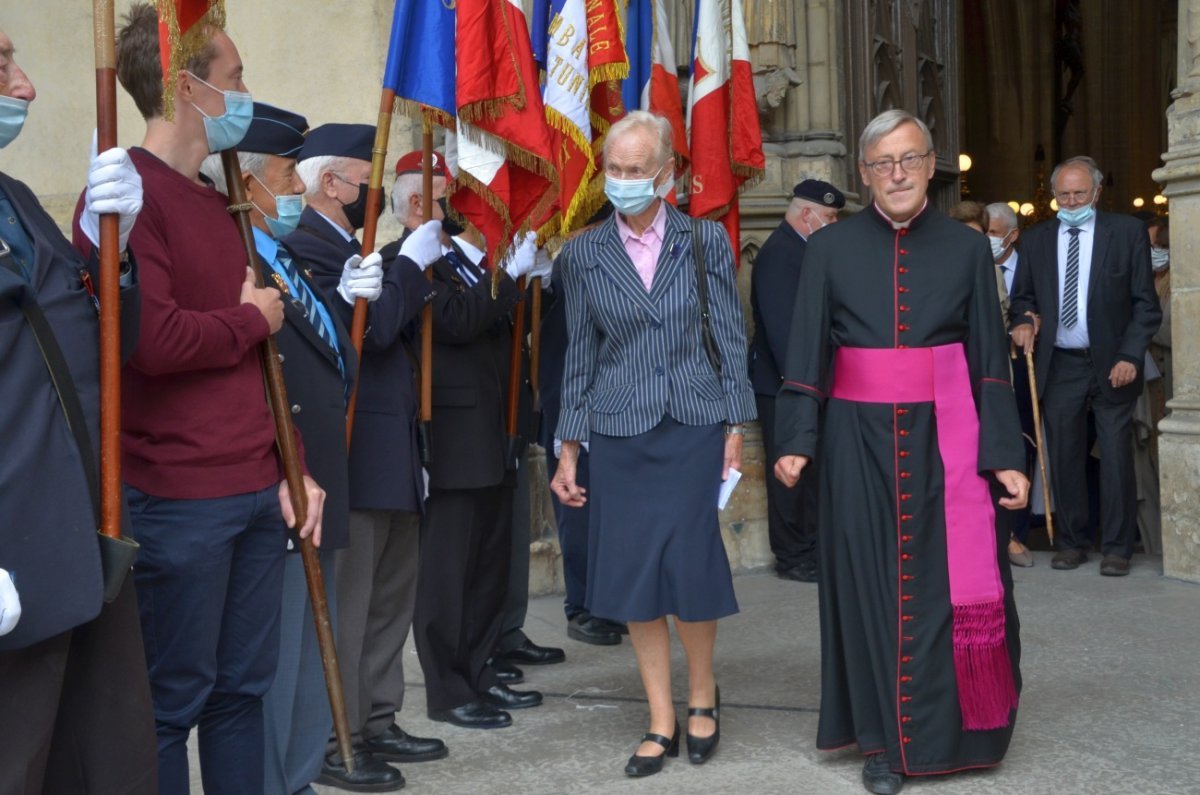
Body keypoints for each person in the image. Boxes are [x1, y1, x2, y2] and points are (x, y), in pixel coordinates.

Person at [98, 7, 326, 792]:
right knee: (173, 700)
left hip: (253, 489)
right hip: (180, 498)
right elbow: (149, 342)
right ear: (188, 87)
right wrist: (246, 317)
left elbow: (260, 370)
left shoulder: (218, 195)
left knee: (240, 693)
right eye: (234, 78)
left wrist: (291, 467)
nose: (244, 92)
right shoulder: (125, 195)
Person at [774, 109, 1029, 795]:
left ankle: (952, 734)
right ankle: (884, 742)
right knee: (870, 590)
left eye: (910, 159)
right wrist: (796, 438)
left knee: (947, 588)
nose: (898, 174)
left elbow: (989, 360)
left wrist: (1005, 452)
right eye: (883, 163)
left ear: (931, 164)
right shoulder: (829, 248)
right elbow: (805, 350)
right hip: (854, 443)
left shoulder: (968, 249)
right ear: (863, 174)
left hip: (948, 439)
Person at [551, 110, 755, 778]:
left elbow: (730, 337)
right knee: (638, 573)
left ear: (668, 174)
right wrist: (569, 447)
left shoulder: (704, 243)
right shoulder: (581, 254)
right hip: (620, 431)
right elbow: (579, 354)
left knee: (690, 565)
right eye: (615, 169)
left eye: (639, 170)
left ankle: (703, 693)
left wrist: (736, 427)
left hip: (693, 423)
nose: (625, 181)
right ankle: (660, 717)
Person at [0, 26, 158, 793]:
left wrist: (116, 255)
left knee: (104, 764)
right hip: (10, 564)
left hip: (84, 542)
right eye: (1, 65)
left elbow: (103, 347)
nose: (25, 85)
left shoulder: (19, 202)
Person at [285, 136, 446, 790]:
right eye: (361, 181)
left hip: (391, 449)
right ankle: (336, 733)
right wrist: (407, 265)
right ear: (330, 183)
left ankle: (378, 716)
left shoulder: (350, 249)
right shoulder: (305, 246)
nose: (367, 197)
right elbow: (369, 331)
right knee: (350, 607)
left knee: (388, 601)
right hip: (352, 451)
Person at [412, 212, 551, 729]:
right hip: (455, 439)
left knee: (490, 566)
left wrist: (531, 281)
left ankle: (480, 667)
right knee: (449, 573)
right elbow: (457, 321)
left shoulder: (478, 270)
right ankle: (448, 690)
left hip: (498, 431)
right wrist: (510, 277)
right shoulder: (424, 263)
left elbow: (513, 328)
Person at [1009, 155, 1162, 577]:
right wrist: (1023, 322)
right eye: (1063, 195)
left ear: (1096, 192)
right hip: (1060, 364)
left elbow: (1145, 306)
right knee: (1065, 455)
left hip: (1113, 361)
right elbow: (1022, 299)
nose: (1072, 201)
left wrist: (1131, 355)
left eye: (1079, 193)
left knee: (1115, 456)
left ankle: (1116, 548)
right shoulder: (1036, 239)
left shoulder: (1126, 233)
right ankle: (1071, 543)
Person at [538, 204, 628, 646]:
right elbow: (561, 356)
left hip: (619, 411)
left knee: (613, 516)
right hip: (576, 414)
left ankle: (612, 601)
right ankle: (584, 607)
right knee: (581, 514)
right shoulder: (569, 273)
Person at [748, 179, 844, 583]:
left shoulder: (804, 251)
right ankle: (792, 555)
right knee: (789, 473)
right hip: (786, 387)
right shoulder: (779, 255)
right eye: (830, 217)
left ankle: (812, 547)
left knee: (810, 471)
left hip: (807, 384)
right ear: (808, 215)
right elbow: (785, 331)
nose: (834, 224)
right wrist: (806, 385)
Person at [985, 201, 1036, 568]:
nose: (988, 240)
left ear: (1013, 235)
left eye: (993, 232)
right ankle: (1005, 533)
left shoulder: (1031, 265)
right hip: (989, 370)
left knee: (1024, 445)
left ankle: (1023, 526)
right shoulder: (974, 265)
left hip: (1027, 368)